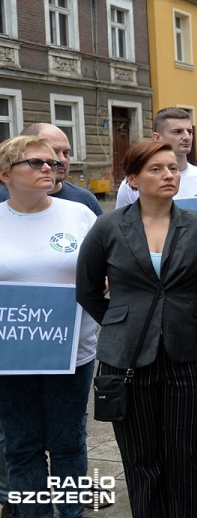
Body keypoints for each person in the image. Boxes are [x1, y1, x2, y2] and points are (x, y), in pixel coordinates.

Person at [76, 141, 197, 517]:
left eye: (172, 168)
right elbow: (88, 289)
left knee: (185, 456)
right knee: (141, 459)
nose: (168, 175)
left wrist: (180, 313)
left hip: (187, 352)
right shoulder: (108, 225)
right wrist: (123, 319)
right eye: (156, 169)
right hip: (126, 356)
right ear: (133, 178)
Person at [113, 108, 197, 469]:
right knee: (149, 370)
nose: (186, 137)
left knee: (193, 372)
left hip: (196, 296)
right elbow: (121, 236)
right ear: (157, 137)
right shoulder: (130, 187)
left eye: (189, 130)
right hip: (146, 297)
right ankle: (154, 443)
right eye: (177, 131)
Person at [0, 136, 99, 518]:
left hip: (72, 351)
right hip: (10, 356)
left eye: (53, 162)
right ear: (6, 173)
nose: (50, 167)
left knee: (68, 442)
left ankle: (71, 514)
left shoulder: (78, 215)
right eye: (36, 162)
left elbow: (107, 269)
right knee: (22, 445)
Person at [0, 123, 103, 216]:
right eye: (36, 162)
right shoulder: (3, 200)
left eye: (66, 153)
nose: (61, 159)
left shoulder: (84, 203)